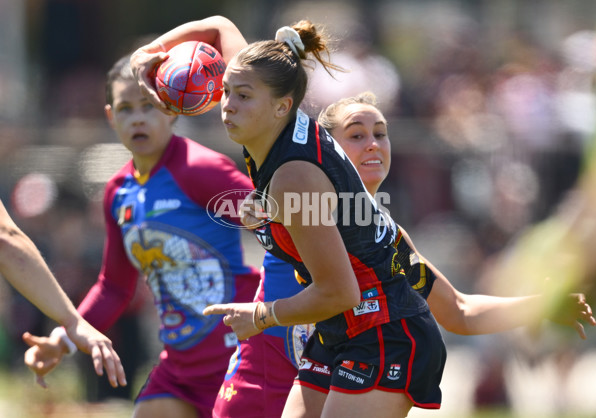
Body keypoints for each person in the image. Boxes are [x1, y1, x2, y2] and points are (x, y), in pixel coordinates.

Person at [133, 16, 446, 418]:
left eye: (242, 96)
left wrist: (262, 315)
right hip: (338, 330)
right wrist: (149, 55)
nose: (227, 104)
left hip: (385, 329)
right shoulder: (269, 104)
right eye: (226, 91)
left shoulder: (294, 180)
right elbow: (218, 26)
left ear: (282, 106)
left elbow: (341, 291)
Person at [214, 91, 596, 417]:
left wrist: (540, 306)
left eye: (381, 134)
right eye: (357, 135)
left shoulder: (387, 238)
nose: (374, 145)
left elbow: (458, 310)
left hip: (376, 345)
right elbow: (257, 87)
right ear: (326, 148)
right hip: (319, 345)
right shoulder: (294, 193)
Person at [23, 50, 260, 418]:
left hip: (240, 356)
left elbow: (276, 226)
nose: (138, 119)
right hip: (179, 368)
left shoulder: (201, 170)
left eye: (148, 106)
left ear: (172, 109)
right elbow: (114, 287)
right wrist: (63, 338)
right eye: (125, 109)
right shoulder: (118, 192)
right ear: (110, 118)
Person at [0, 198, 126, 389]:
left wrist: (65, 336)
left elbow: (115, 286)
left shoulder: (123, 186)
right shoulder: (123, 186)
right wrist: (71, 324)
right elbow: (4, 239)